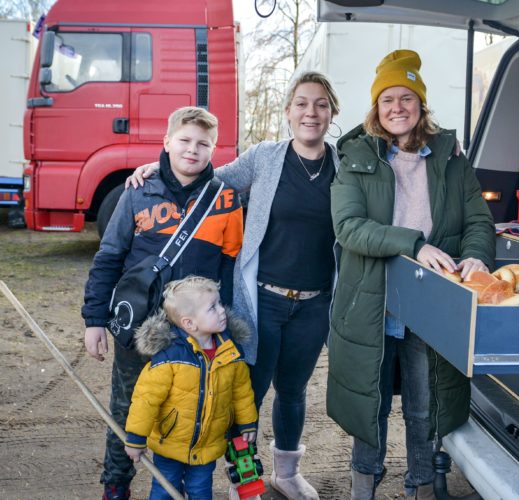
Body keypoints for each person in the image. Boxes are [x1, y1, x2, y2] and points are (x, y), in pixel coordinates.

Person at [127, 71, 341, 500]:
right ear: (287, 112)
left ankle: (286, 473)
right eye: (301, 103)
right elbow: (207, 178)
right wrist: (161, 166)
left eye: (320, 104)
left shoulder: (345, 166)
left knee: (294, 393)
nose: (310, 112)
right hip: (261, 301)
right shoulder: (265, 157)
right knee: (247, 394)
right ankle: (245, 481)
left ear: (332, 112)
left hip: (316, 303)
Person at [327, 49, 495, 500]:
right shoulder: (356, 157)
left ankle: (422, 484)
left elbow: (478, 219)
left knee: (426, 404)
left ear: (421, 104)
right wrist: (415, 246)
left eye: (407, 97)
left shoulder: (451, 158)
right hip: (373, 298)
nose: (397, 107)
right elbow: (349, 228)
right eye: (388, 99)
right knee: (371, 402)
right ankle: (364, 483)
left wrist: (477, 255)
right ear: (376, 108)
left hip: (433, 300)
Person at [82, 106, 244, 500]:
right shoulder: (137, 190)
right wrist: (94, 319)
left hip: (195, 330)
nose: (193, 150)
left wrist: (226, 327)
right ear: (167, 142)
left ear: (214, 149)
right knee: (127, 409)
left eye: (203, 143)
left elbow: (230, 271)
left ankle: (188, 486)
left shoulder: (226, 199)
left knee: (196, 408)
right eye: (184, 140)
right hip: (139, 326)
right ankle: (116, 486)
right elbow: (109, 256)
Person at [124, 276, 258, 500]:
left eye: (220, 303)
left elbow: (242, 393)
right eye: (212, 308)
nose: (222, 310)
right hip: (170, 442)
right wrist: (136, 438)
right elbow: (146, 400)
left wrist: (247, 423)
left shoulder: (230, 353)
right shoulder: (169, 359)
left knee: (200, 491)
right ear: (189, 323)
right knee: (164, 490)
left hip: (208, 444)